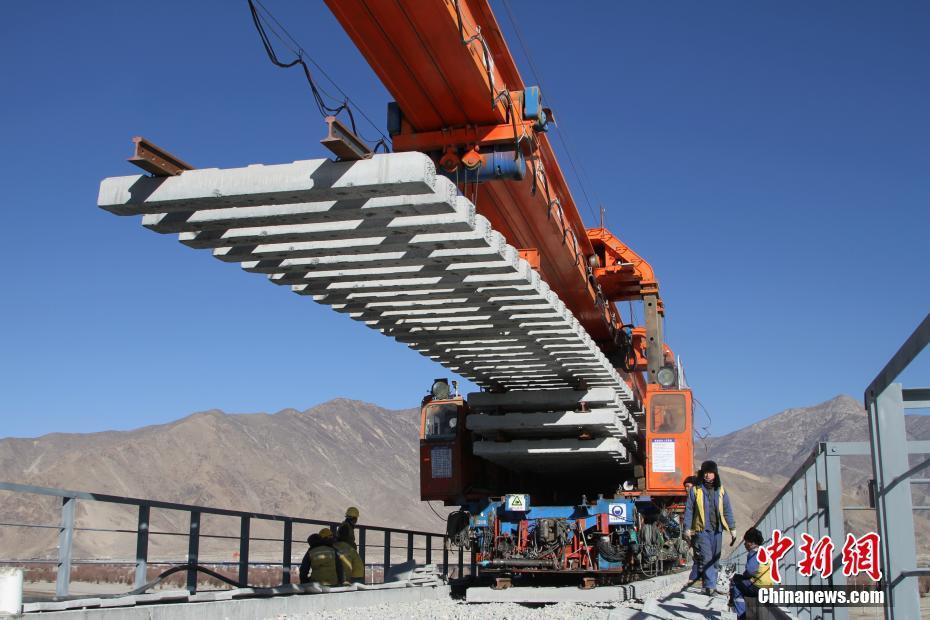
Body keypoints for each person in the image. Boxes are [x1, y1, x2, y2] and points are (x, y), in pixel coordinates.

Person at [683, 460, 736, 595]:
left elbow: (727, 510)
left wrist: (732, 528)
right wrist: (687, 528)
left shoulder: (721, 490)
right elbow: (689, 510)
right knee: (706, 558)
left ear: (715, 474)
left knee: (715, 558)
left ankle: (710, 584)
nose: (707, 475)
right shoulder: (696, 490)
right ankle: (710, 586)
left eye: (710, 472)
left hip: (717, 530)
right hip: (702, 530)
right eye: (705, 472)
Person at [729, 527, 773, 619]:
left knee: (735, 584)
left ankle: (741, 615)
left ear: (752, 543)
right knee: (741, 580)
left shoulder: (753, 553)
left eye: (746, 541)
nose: (744, 544)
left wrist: (742, 577)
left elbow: (750, 570)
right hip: (767, 587)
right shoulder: (764, 552)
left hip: (758, 586)